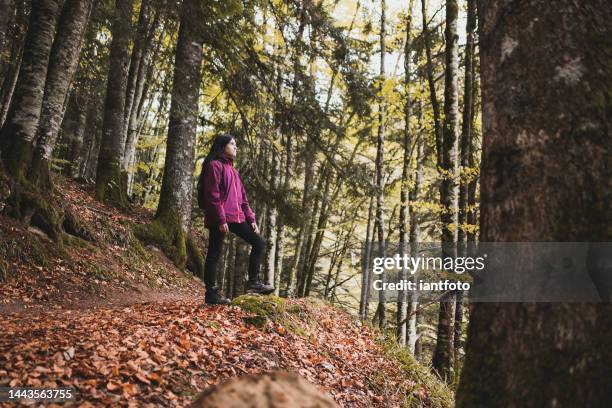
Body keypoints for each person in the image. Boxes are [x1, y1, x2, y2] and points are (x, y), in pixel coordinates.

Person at [197, 133, 274, 305]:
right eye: (232, 144)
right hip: (221, 217)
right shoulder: (214, 166)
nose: (235, 147)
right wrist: (220, 219)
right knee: (214, 253)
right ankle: (211, 293)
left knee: (259, 242)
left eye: (235, 144)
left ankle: (254, 283)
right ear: (222, 146)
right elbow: (212, 196)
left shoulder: (234, 172)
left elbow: (243, 199)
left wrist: (251, 218)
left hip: (236, 217)